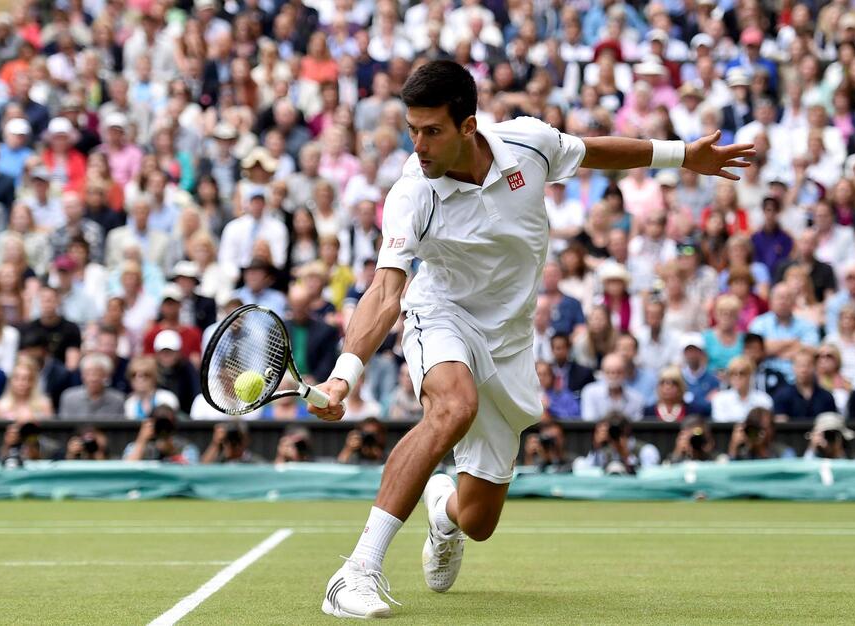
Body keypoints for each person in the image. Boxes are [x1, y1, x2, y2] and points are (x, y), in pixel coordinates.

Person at [306, 61, 753, 618]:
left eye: (432, 131)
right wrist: (345, 375)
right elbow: (385, 291)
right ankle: (356, 572)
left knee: (479, 521)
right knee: (452, 409)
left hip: (511, 343)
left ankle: (442, 513)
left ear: (469, 126)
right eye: (412, 130)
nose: (418, 144)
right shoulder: (410, 194)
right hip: (441, 316)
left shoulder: (530, 144)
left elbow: (594, 151)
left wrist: (683, 155)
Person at [573, 411, 661, 474]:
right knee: (579, 462)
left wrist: (626, 456)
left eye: (618, 430)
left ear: (627, 430)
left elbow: (649, 479)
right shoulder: (603, 449)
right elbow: (585, 471)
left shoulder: (647, 450)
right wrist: (596, 448)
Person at [773, 348, 837, 421]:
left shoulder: (826, 397)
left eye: (808, 365)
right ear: (793, 367)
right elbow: (781, 425)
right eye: (799, 365)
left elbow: (832, 425)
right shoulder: (782, 395)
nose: (803, 370)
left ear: (815, 367)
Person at [57, 353, 126, 419]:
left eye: (98, 374)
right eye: (88, 374)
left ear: (107, 376)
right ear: (82, 375)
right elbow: (64, 428)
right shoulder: (69, 397)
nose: (93, 378)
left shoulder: (118, 399)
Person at [123, 405, 199, 463]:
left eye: (166, 424)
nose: (163, 427)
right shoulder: (136, 446)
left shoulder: (186, 447)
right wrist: (142, 440)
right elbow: (127, 470)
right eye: (159, 423)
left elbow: (191, 473)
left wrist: (173, 452)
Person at [711, 356, 773, 423]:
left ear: (751, 375)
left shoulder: (764, 399)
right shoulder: (720, 399)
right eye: (732, 373)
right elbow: (721, 426)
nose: (737, 377)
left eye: (742, 373)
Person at [728, 407, 796, 460]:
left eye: (764, 428)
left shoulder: (784, 453)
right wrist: (733, 448)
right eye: (755, 429)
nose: (759, 433)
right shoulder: (742, 455)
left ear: (772, 429)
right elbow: (730, 475)